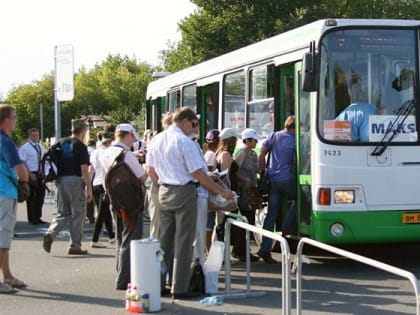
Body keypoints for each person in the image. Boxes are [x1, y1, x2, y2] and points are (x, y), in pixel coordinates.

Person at [147, 107, 234, 299]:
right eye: (193, 124)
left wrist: (160, 185)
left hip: (164, 190)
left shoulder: (156, 140)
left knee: (164, 240)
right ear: (184, 121)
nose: (194, 129)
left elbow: (151, 169)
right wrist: (220, 191)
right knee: (184, 241)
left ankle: (159, 283)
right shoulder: (184, 142)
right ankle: (179, 287)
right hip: (185, 191)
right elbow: (198, 173)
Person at [99, 123, 147, 290]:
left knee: (121, 238)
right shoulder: (126, 155)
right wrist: (145, 166)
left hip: (114, 199)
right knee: (131, 238)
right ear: (127, 136)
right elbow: (142, 177)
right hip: (130, 201)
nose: (134, 141)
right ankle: (125, 279)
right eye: (133, 137)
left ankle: (120, 272)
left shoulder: (106, 153)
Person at [42, 119, 93, 255]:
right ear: (82, 131)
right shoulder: (80, 146)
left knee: (62, 212)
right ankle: (75, 245)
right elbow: (84, 169)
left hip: (60, 180)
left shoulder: (61, 142)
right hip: (75, 180)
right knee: (78, 213)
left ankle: (51, 233)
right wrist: (89, 187)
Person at [215, 128, 259, 262]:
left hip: (229, 192)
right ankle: (223, 254)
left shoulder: (222, 154)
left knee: (224, 224)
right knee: (225, 224)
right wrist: (228, 194)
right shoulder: (226, 155)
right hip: (230, 193)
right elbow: (226, 176)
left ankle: (225, 253)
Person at [257, 115, 297, 264]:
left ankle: (265, 248)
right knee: (301, 200)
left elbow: (262, 154)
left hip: (272, 179)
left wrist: (263, 171)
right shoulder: (295, 140)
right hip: (286, 179)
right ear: (293, 127)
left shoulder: (274, 135)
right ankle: (287, 227)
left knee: (271, 215)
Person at [0, 104, 29, 293]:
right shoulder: (5, 141)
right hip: (4, 192)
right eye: (14, 116)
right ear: (6, 120)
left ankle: (8, 275)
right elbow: (19, 168)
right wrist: (24, 182)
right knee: (3, 235)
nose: (16, 120)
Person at [89, 131, 116, 248]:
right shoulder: (109, 152)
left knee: (104, 212)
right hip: (104, 184)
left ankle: (111, 236)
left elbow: (92, 168)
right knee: (102, 213)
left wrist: (88, 185)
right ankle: (95, 239)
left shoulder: (95, 152)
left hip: (95, 183)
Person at [18, 127, 47, 225]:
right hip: (31, 173)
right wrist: (29, 173)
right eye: (33, 135)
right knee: (31, 197)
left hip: (40, 173)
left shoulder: (40, 146)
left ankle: (38, 217)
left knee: (41, 195)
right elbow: (22, 161)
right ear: (29, 136)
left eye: (37, 135)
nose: (35, 137)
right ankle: (32, 218)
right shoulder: (25, 147)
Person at [203, 129, 220, 254]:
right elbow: (208, 172)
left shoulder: (209, 154)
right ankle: (208, 250)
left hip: (208, 192)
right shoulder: (211, 155)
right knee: (208, 224)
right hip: (209, 192)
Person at [86, 139, 97, 224]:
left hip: (86, 175)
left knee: (88, 197)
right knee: (96, 199)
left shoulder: (85, 150)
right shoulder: (95, 151)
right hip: (95, 176)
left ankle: (90, 217)